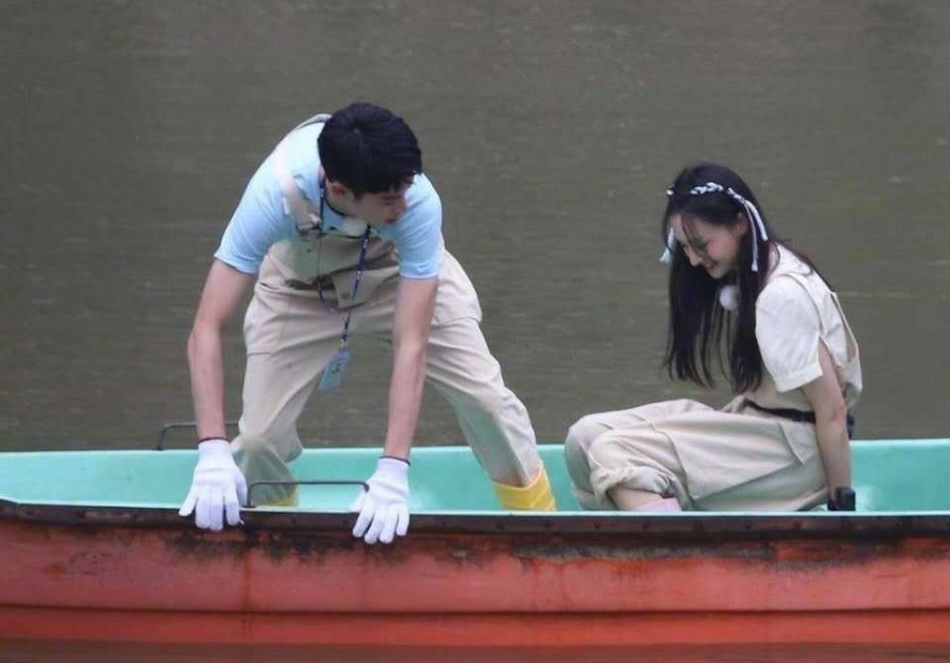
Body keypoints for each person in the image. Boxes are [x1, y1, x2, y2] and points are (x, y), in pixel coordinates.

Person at [179, 104, 554, 541]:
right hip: (302, 288)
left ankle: (544, 530)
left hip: (400, 274)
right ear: (339, 189)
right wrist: (211, 449)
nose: (403, 204)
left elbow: (411, 341)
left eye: (406, 189)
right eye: (389, 200)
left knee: (488, 403)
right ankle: (278, 539)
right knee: (257, 441)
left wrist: (394, 470)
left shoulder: (417, 206)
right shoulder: (273, 194)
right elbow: (206, 326)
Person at [565, 163, 862, 513]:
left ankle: (677, 560)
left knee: (612, 453)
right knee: (584, 438)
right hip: (756, 427)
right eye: (685, 247)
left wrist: (841, 507)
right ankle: (639, 541)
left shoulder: (782, 297)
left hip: (792, 454)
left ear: (739, 223)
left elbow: (832, 411)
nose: (692, 260)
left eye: (701, 245)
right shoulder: (758, 271)